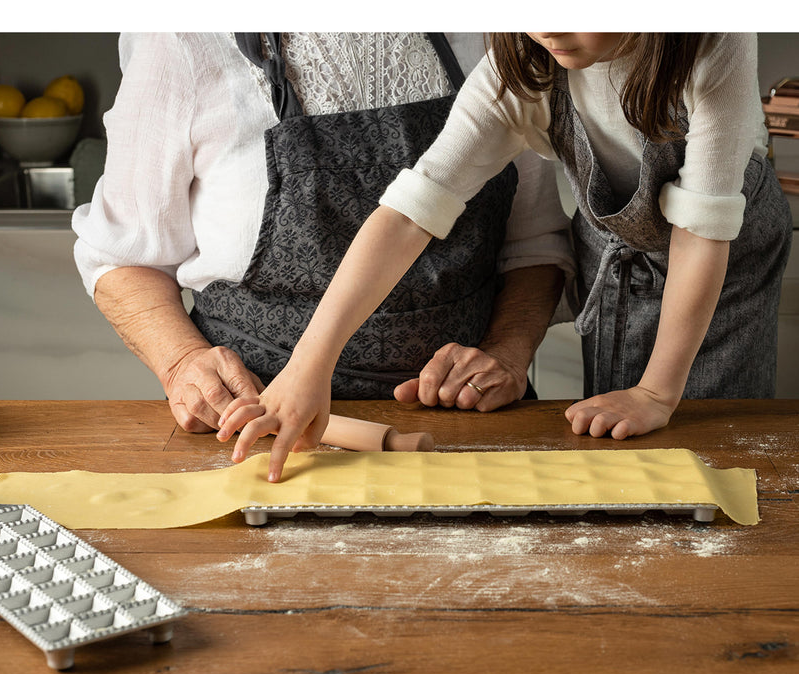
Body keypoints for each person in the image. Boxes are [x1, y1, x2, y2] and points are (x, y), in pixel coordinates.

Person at [220, 32, 793, 482]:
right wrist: (307, 368)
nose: (547, 26)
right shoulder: (524, 62)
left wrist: (656, 392)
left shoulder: (711, 37)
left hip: (719, 260)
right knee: (621, 459)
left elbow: (701, 231)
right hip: (617, 247)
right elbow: (407, 213)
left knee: (707, 459)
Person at [72, 33, 575, 433]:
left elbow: (533, 244)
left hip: (470, 425)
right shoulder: (182, 41)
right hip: (259, 424)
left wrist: (507, 354)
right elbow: (123, 257)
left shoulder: (493, 31)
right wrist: (183, 363)